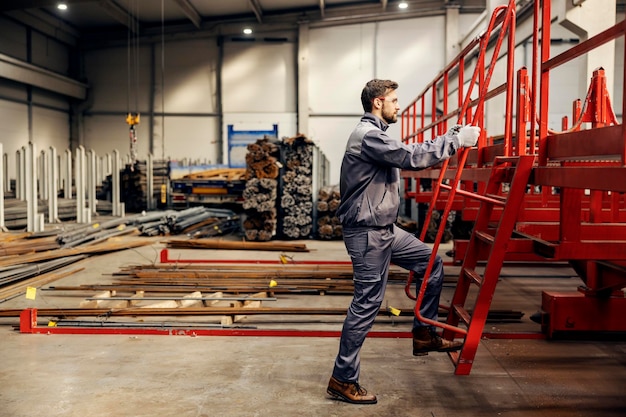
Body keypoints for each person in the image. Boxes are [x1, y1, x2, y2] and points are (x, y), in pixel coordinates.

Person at [326, 79, 480, 405]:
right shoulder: (367, 136)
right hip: (367, 233)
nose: (400, 106)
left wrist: (450, 137)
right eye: (394, 100)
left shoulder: (376, 134)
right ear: (378, 103)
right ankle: (342, 379)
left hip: (384, 230)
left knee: (431, 262)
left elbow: (408, 150)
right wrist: (454, 142)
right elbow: (410, 157)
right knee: (366, 305)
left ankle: (423, 335)